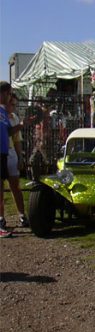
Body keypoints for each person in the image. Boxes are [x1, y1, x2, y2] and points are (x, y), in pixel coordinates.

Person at [6, 94, 29, 227]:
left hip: (11, 153)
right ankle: (2, 217)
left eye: (15, 104)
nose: (13, 107)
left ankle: (21, 215)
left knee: (15, 186)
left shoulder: (14, 118)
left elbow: (17, 140)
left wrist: (20, 157)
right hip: (3, 152)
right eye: (11, 104)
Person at [0, 81, 13, 237]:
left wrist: (23, 124)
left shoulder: (3, 112)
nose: (10, 97)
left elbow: (9, 132)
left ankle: (1, 219)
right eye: (9, 94)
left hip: (3, 153)